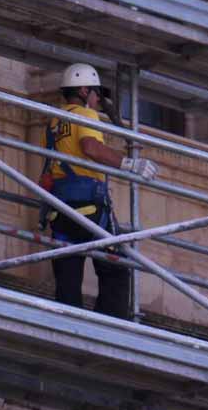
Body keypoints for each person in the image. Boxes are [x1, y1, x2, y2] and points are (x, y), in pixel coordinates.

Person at [39, 63, 157, 319]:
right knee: (117, 265)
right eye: (95, 94)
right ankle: (113, 325)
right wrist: (129, 164)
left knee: (68, 267)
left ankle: (68, 321)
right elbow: (91, 147)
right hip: (90, 206)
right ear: (83, 90)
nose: (96, 100)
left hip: (60, 208)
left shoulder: (54, 121)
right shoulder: (85, 114)